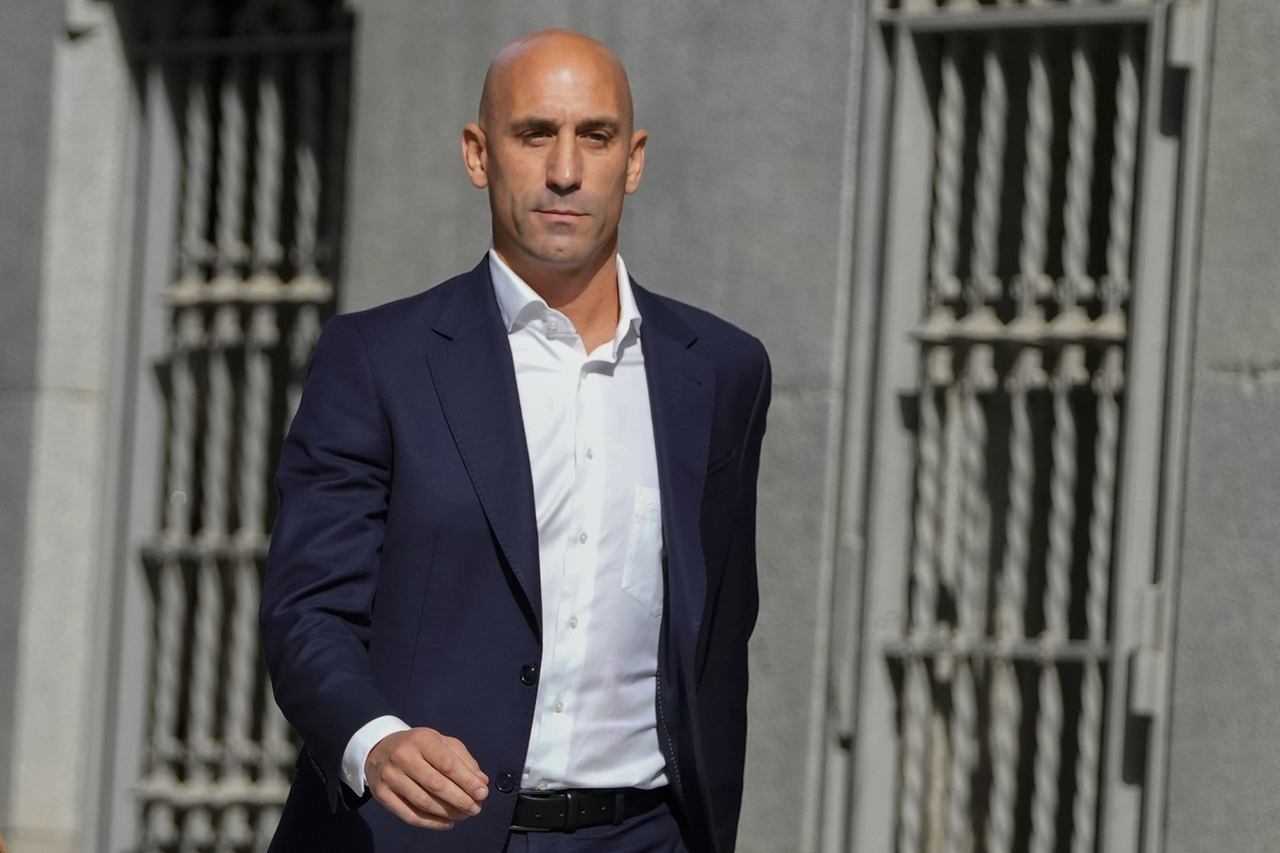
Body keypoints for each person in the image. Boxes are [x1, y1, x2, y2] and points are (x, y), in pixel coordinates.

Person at [261, 28, 771, 853]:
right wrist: (374, 739)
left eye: (595, 136)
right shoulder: (379, 360)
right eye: (535, 134)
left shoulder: (722, 371)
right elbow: (307, 609)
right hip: (420, 835)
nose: (565, 170)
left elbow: (719, 633)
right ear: (478, 153)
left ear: (634, 160)